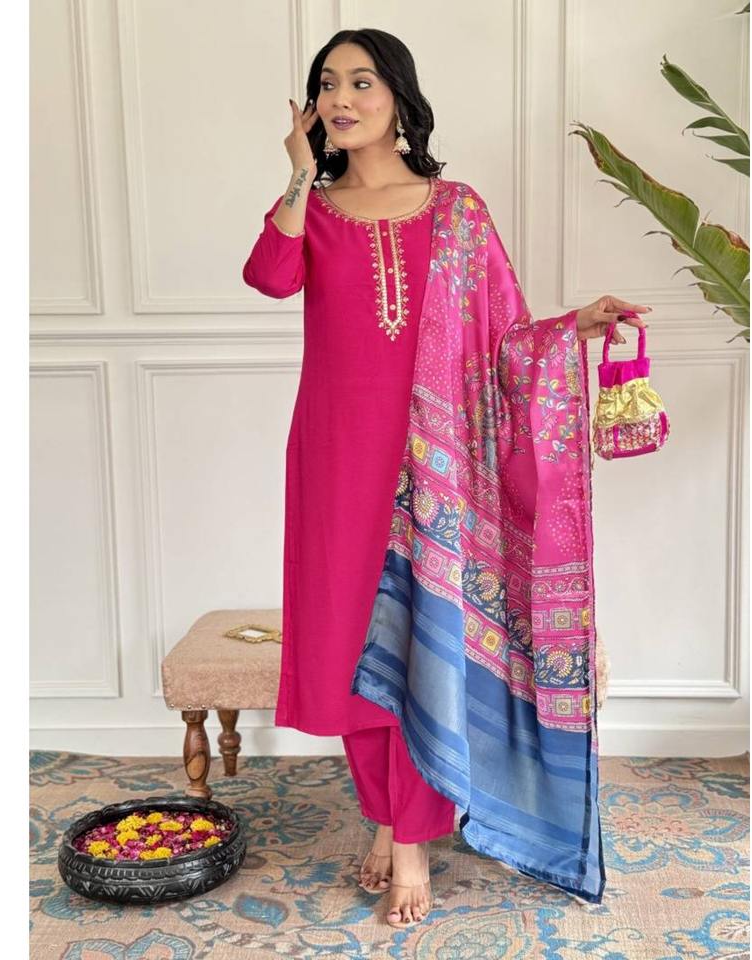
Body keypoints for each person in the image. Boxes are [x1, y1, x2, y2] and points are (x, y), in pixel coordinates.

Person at [243, 28, 650, 928]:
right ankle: (391, 817)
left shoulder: (456, 210)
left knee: (421, 633)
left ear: (399, 96)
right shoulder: (315, 208)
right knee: (350, 642)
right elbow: (269, 276)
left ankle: (411, 839)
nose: (340, 99)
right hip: (336, 456)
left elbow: (504, 338)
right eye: (326, 85)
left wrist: (574, 325)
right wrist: (300, 174)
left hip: (436, 458)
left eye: (361, 82)